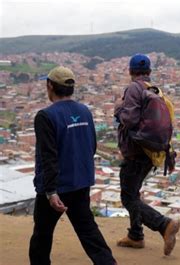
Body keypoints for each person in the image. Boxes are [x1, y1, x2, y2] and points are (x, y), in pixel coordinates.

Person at [29, 66, 116, 264]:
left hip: (55, 188)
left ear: (50, 85)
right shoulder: (84, 111)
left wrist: (51, 191)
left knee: (42, 235)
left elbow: (48, 156)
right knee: (88, 231)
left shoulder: (45, 116)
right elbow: (91, 146)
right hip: (80, 183)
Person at [114, 54, 180, 255]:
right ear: (149, 72)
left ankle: (164, 225)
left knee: (128, 197)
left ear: (130, 71)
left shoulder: (134, 88)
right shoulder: (155, 91)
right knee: (133, 194)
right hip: (151, 151)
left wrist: (118, 110)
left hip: (136, 152)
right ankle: (135, 235)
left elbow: (130, 120)